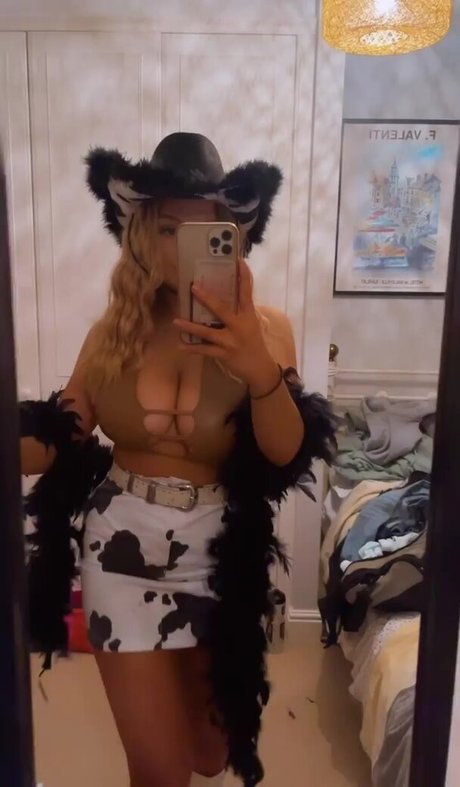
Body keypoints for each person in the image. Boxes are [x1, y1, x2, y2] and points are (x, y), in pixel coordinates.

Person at [20, 132, 336, 787]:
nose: (181, 247)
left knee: (209, 752)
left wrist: (257, 368)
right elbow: (59, 435)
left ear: (230, 238)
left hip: (219, 552)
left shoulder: (266, 329)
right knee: (159, 770)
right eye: (168, 229)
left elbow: (284, 452)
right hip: (120, 551)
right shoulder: (112, 333)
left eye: (203, 231)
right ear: (140, 233)